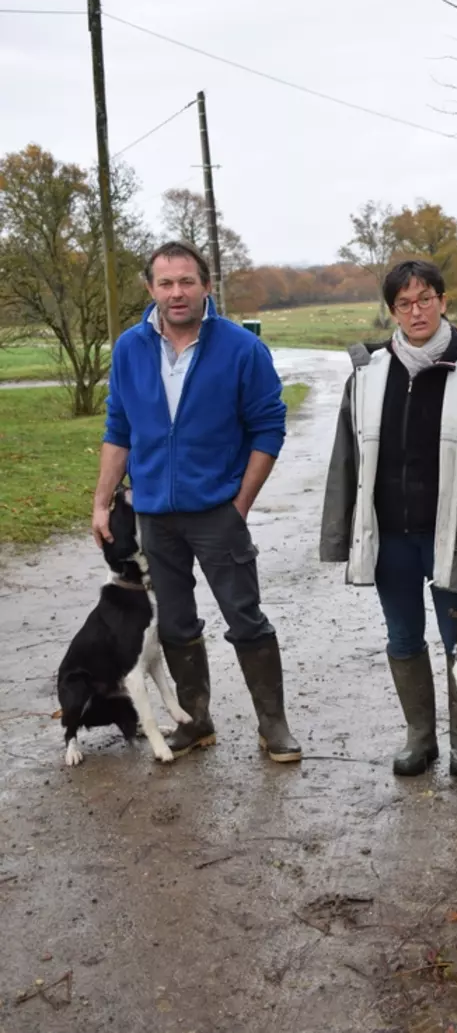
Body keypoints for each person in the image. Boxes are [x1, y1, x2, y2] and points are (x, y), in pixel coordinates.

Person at [92, 240, 301, 763]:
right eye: (166, 283)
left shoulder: (240, 349)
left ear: (206, 285)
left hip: (217, 512)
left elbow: (268, 427)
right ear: (151, 289)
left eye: (187, 281)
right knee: (177, 623)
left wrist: (240, 504)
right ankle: (195, 721)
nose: (176, 293)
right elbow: (118, 427)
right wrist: (101, 502)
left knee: (245, 617)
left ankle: (273, 726)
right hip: (153, 516)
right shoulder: (130, 348)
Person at [320, 259, 457, 777]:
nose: (416, 311)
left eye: (425, 299)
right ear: (392, 310)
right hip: (391, 539)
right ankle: (419, 737)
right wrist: (340, 533)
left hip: (455, 536)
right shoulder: (367, 376)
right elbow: (347, 458)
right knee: (403, 637)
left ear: (443, 301)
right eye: (404, 303)